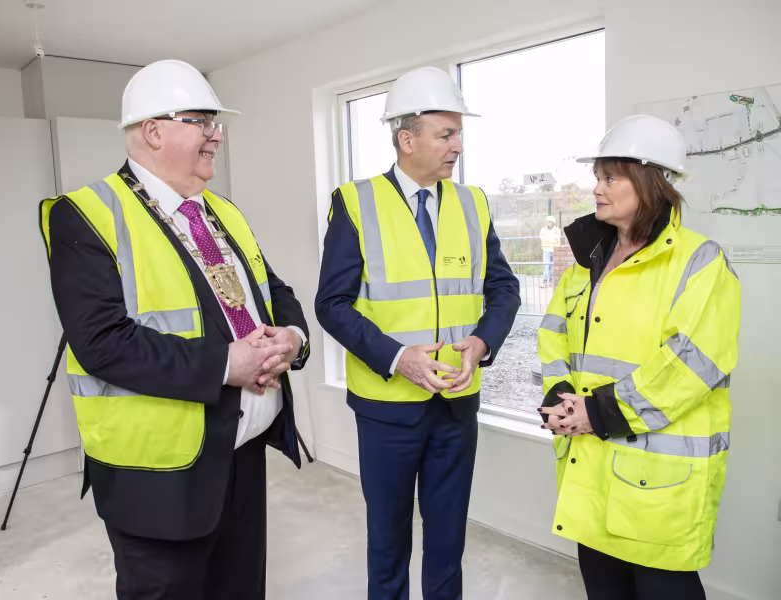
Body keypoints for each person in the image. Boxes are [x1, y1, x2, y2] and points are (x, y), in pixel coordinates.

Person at [39, 59, 310, 600]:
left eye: (216, 124)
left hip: (240, 453)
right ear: (153, 131)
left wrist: (292, 338)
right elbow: (101, 342)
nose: (216, 137)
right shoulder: (86, 215)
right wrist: (226, 365)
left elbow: (272, 291)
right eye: (202, 122)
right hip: (158, 477)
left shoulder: (222, 213)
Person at [315, 66, 520, 600]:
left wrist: (480, 344)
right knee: (388, 539)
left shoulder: (473, 203)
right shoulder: (355, 202)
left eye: (458, 133)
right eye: (445, 134)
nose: (457, 145)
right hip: (387, 410)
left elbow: (504, 290)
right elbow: (331, 305)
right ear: (407, 140)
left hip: (456, 404)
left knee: (449, 539)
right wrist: (397, 356)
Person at [537, 114, 740, 599]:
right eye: (597, 178)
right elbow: (553, 333)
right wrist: (561, 393)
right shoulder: (589, 260)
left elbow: (692, 365)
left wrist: (595, 412)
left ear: (652, 183)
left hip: (658, 484)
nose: (598, 190)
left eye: (611, 178)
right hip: (590, 467)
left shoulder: (699, 261)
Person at [539, 215, 561, 286]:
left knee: (552, 266)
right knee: (546, 265)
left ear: (552, 223)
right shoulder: (543, 230)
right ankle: (545, 281)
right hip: (546, 249)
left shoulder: (557, 230)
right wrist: (552, 237)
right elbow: (542, 238)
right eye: (547, 222)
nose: (547, 223)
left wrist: (548, 237)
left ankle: (551, 281)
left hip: (554, 250)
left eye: (549, 222)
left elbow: (557, 238)